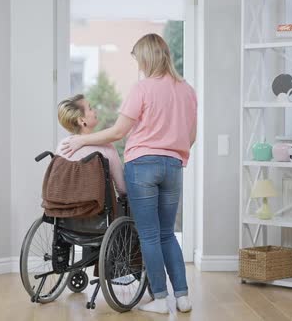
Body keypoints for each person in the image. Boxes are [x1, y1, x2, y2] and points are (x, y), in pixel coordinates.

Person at [60, 33, 197, 314]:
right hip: (173, 166)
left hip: (142, 165)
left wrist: (82, 139)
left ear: (146, 58)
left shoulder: (142, 88)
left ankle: (160, 297)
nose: (138, 65)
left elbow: (120, 132)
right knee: (166, 234)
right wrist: (174, 152)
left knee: (147, 234)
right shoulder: (187, 90)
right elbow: (191, 136)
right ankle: (182, 297)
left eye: (137, 59)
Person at [55, 94, 126, 196]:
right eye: (90, 108)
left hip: (63, 209)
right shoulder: (106, 147)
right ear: (81, 120)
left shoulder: (62, 146)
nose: (95, 111)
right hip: (96, 210)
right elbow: (122, 189)